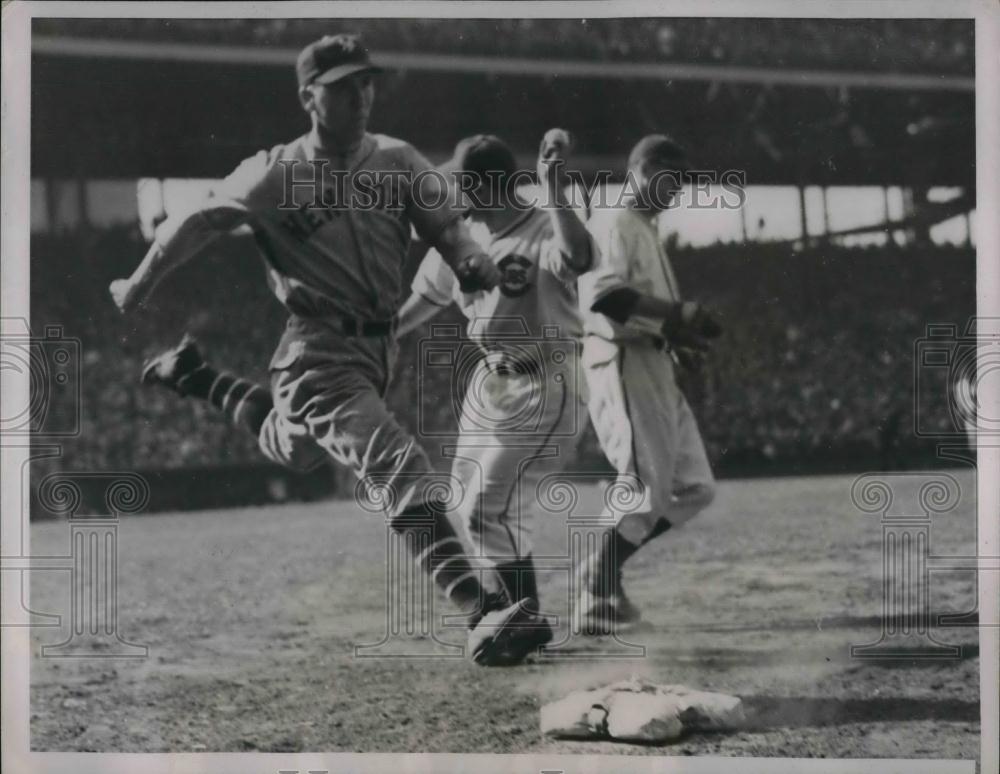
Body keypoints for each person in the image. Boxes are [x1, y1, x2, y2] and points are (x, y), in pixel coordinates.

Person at [108, 34, 539, 666]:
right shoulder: (275, 172)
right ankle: (482, 612)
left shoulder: (398, 159)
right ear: (309, 96)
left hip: (375, 351)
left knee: (295, 448)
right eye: (342, 86)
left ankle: (198, 378)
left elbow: (448, 230)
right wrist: (138, 282)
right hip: (316, 350)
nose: (361, 96)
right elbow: (196, 221)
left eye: (366, 82)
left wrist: (472, 261)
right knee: (400, 464)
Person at [396, 130, 595, 650]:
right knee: (470, 505)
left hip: (546, 376)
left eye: (459, 185)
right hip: (490, 379)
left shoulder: (543, 225)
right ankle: (516, 617)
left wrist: (556, 192)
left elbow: (580, 257)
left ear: (486, 186)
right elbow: (426, 297)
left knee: (489, 506)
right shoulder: (461, 234)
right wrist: (380, 336)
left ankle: (518, 617)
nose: (449, 196)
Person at [575, 134, 723, 630]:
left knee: (694, 487)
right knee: (643, 488)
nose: (679, 189)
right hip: (622, 362)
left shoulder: (644, 227)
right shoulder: (615, 220)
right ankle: (598, 589)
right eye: (672, 177)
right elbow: (606, 299)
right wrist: (679, 313)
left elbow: (642, 310)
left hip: (653, 361)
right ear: (642, 170)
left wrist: (680, 337)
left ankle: (603, 569)